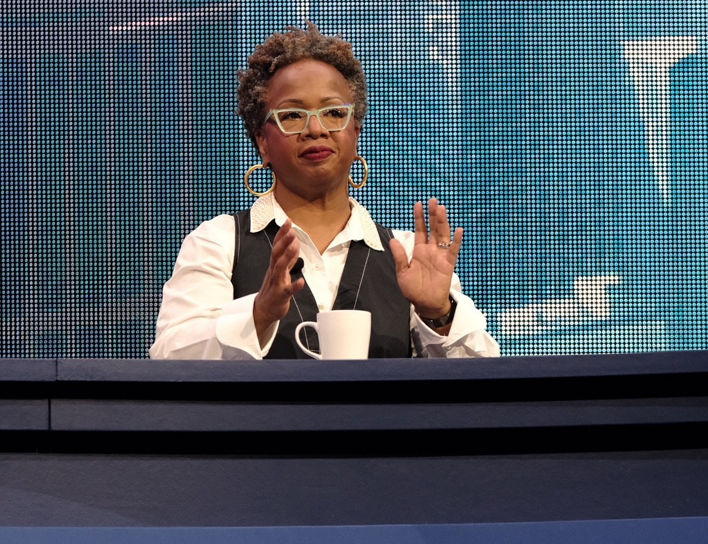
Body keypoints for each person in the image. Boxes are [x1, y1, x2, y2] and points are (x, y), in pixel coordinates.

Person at [150, 23, 500, 358]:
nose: (316, 129)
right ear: (263, 144)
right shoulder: (220, 243)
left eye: (334, 112)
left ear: (355, 132)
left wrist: (438, 312)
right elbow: (171, 358)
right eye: (291, 116)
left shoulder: (406, 255)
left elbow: (485, 388)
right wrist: (258, 313)